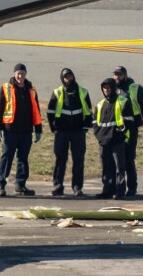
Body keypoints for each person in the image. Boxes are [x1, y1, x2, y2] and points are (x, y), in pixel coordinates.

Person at [0, 63, 43, 197]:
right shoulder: (6, 88)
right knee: (7, 157)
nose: (20, 76)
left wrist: (38, 129)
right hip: (10, 130)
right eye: (18, 73)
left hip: (26, 131)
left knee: (23, 158)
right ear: (14, 74)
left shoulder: (31, 89)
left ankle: (20, 185)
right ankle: (0, 185)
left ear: (26, 74)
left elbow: (36, 110)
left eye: (22, 73)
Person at [46, 68, 92, 196]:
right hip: (61, 132)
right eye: (66, 77)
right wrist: (53, 129)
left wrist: (85, 128)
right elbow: (50, 112)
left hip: (78, 132)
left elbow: (88, 111)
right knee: (60, 159)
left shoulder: (82, 92)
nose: (69, 79)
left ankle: (77, 187)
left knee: (78, 160)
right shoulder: (57, 92)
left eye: (70, 76)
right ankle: (58, 185)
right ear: (62, 79)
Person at [93, 78, 134, 200]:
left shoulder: (123, 102)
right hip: (103, 142)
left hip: (117, 141)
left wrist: (120, 134)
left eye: (108, 88)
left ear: (113, 88)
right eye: (104, 88)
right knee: (106, 167)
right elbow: (95, 122)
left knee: (119, 167)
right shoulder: (100, 104)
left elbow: (129, 121)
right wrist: (99, 135)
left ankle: (120, 191)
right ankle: (107, 190)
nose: (106, 90)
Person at [112, 65, 143, 196]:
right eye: (115, 74)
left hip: (131, 128)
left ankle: (132, 188)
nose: (117, 77)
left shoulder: (135, 88)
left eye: (119, 75)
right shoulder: (113, 88)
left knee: (129, 159)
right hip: (116, 128)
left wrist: (135, 119)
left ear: (125, 75)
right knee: (117, 159)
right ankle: (118, 188)